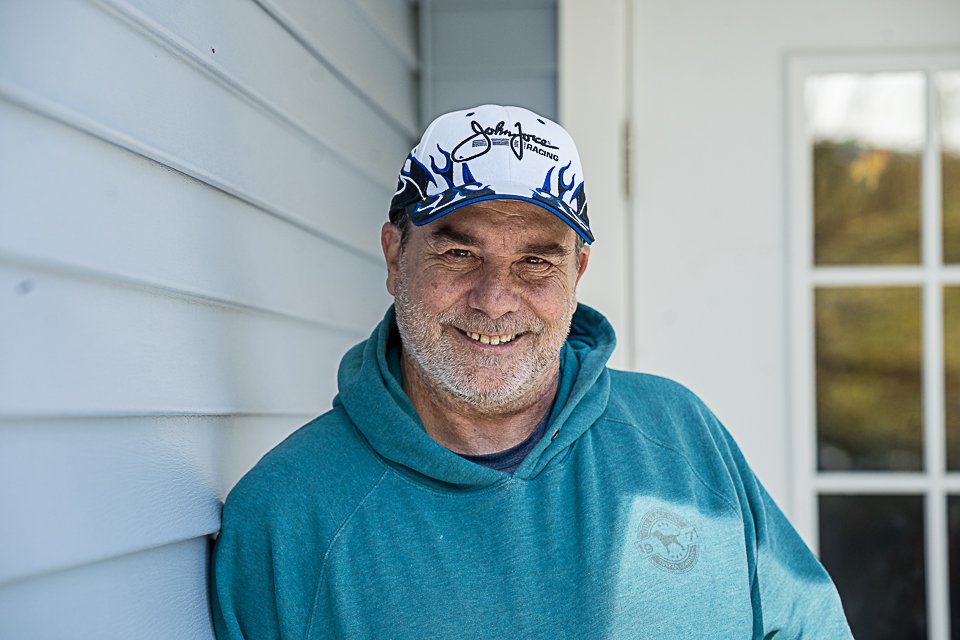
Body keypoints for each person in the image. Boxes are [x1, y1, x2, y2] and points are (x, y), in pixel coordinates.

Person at [211, 104, 852, 639]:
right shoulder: (286, 516)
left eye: (536, 262)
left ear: (576, 274)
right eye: (460, 251)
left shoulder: (679, 436)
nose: (495, 298)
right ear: (394, 253)